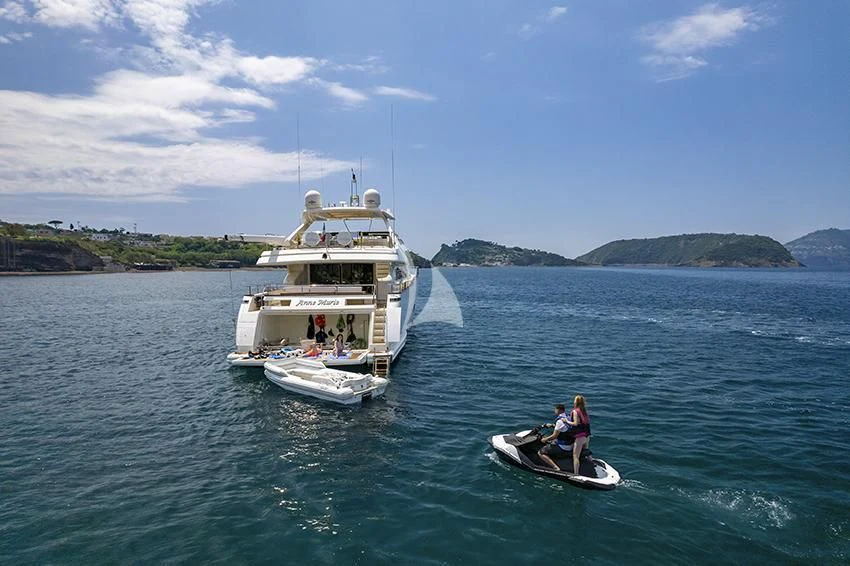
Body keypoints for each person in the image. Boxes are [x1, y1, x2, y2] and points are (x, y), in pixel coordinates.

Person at [538, 404, 572, 470]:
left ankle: (555, 467)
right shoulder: (568, 417)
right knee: (552, 441)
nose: (554, 411)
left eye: (555, 409)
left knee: (540, 452)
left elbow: (554, 436)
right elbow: (564, 427)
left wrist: (544, 439)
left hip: (563, 447)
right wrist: (552, 425)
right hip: (570, 444)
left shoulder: (559, 421)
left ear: (558, 410)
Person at [565, 395, 591, 475]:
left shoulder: (575, 411)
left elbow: (575, 423)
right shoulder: (584, 411)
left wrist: (566, 421)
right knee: (586, 452)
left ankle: (576, 474)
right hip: (587, 436)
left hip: (580, 437)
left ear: (576, 402)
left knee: (575, 456)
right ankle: (592, 465)